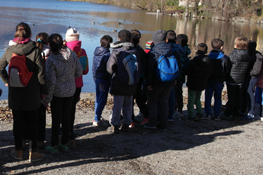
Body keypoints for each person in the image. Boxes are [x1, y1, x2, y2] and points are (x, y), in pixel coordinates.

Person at [0, 22, 47, 161]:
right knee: (33, 122)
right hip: (31, 93)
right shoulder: (35, 51)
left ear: (16, 34)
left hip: (15, 94)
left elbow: (0, 67)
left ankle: (18, 151)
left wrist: (6, 81)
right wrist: (44, 91)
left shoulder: (9, 50)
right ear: (30, 34)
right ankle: (34, 152)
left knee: (18, 122)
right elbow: (41, 75)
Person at [44, 33, 82, 154]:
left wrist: (47, 99)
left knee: (56, 119)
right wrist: (70, 79)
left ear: (50, 44)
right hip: (70, 90)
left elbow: (51, 81)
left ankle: (54, 144)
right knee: (66, 117)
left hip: (57, 93)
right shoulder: (72, 55)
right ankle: (64, 143)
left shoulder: (51, 60)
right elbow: (79, 71)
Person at [144, 29, 178, 130]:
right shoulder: (172, 50)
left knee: (153, 101)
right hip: (169, 80)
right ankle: (164, 123)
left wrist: (148, 83)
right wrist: (175, 78)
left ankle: (153, 122)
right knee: (164, 101)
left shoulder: (154, 52)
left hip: (156, 81)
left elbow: (150, 69)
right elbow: (178, 66)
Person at [107, 29, 138, 133]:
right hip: (131, 83)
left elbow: (110, 68)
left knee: (117, 105)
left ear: (119, 38)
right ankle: (127, 124)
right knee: (128, 104)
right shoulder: (134, 51)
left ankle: (115, 125)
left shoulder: (117, 52)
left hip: (119, 82)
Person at [64, 28, 89, 147]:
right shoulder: (83, 51)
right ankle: (70, 133)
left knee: (62, 108)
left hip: (65, 83)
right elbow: (85, 70)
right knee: (71, 109)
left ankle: (63, 133)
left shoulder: (63, 51)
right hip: (77, 84)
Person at [223, 37, 250, 120]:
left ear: (236, 45)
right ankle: (236, 112)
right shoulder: (247, 55)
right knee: (238, 96)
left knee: (231, 96)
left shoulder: (233, 55)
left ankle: (229, 112)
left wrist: (226, 75)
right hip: (241, 78)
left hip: (232, 78)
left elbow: (228, 66)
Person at [185, 43, 213, 121]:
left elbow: (187, 72)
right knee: (198, 98)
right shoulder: (208, 62)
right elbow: (211, 72)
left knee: (191, 99)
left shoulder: (193, 62)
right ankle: (200, 112)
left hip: (192, 83)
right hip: (202, 83)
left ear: (197, 51)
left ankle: (191, 114)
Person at [204, 38, 228, 121]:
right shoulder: (224, 58)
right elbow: (226, 69)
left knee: (208, 97)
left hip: (209, 79)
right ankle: (217, 114)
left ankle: (208, 114)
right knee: (218, 97)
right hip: (219, 80)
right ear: (221, 47)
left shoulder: (208, 58)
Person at [92, 35, 113, 126]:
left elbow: (94, 68)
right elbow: (109, 70)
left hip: (97, 78)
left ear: (101, 43)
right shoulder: (108, 56)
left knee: (98, 98)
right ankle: (97, 118)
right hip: (104, 79)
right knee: (102, 99)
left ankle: (97, 117)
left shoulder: (96, 53)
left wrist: (94, 78)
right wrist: (111, 82)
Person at [130, 29, 148, 128]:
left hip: (133, 77)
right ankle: (145, 115)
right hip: (140, 77)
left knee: (132, 97)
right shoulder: (141, 51)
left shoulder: (131, 51)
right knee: (138, 96)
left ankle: (131, 118)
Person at [35, 32, 50, 149]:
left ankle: (27, 138)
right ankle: (40, 139)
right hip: (43, 88)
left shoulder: (32, 52)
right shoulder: (50, 54)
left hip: (31, 88)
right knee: (41, 115)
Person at [243, 40, 263, 119]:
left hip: (252, 77)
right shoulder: (250, 54)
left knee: (250, 93)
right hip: (248, 77)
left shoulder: (257, 56)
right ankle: (245, 109)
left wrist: (250, 74)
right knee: (246, 93)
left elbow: (257, 70)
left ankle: (251, 111)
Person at [173, 34, 191, 119]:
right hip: (182, 75)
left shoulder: (176, 50)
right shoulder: (186, 51)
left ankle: (174, 109)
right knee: (179, 93)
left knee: (172, 93)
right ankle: (179, 110)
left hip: (175, 75)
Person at [166, 30, 182, 121]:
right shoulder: (181, 49)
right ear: (176, 39)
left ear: (166, 39)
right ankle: (171, 114)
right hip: (175, 75)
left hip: (164, 75)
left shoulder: (165, 48)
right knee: (173, 95)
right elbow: (179, 64)